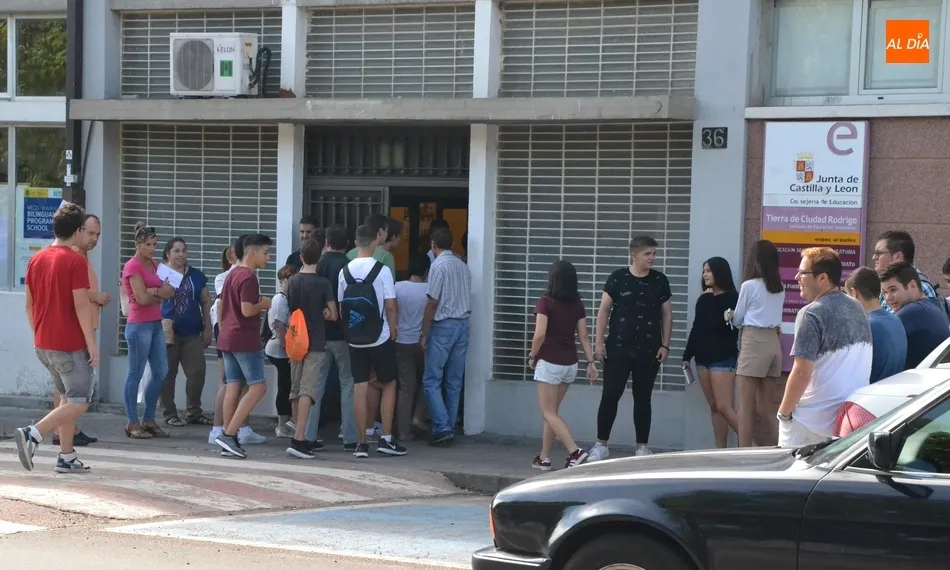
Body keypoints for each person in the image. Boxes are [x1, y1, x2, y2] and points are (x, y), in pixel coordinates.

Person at [15, 202, 100, 473]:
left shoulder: (36, 259)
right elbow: (81, 305)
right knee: (80, 400)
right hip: (69, 344)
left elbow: (28, 304)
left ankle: (66, 456)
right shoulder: (75, 261)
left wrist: (38, 333)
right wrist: (91, 343)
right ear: (77, 231)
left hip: (44, 343)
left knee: (66, 399)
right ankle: (33, 433)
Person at [778, 247, 872, 447]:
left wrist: (784, 413)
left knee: (791, 468)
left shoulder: (811, 313)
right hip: (848, 421)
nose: (796, 277)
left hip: (809, 423)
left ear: (822, 278)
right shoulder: (857, 307)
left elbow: (801, 373)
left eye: (802, 273)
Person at [590, 236, 672, 461]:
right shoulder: (618, 278)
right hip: (617, 348)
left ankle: (642, 447)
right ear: (634, 255)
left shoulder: (660, 280)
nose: (652, 258)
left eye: (654, 254)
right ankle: (601, 444)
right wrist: (598, 343)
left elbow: (667, 314)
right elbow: (603, 311)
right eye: (648, 254)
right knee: (610, 395)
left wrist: (665, 344)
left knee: (643, 398)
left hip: (649, 350)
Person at [339, 223, 406, 458]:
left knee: (360, 386)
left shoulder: (345, 271)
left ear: (355, 242)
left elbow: (342, 306)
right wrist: (394, 328)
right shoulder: (382, 270)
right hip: (380, 336)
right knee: (389, 383)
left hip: (355, 338)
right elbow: (390, 305)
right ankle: (386, 438)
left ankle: (361, 443)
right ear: (376, 241)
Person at [529, 260, 597, 471]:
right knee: (553, 413)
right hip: (570, 365)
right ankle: (544, 458)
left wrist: (532, 355)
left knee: (547, 413)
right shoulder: (577, 304)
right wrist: (591, 362)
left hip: (549, 363)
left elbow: (539, 334)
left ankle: (575, 451)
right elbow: (584, 336)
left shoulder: (545, 303)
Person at [214, 234, 273, 459]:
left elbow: (221, 305)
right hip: (244, 339)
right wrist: (265, 304)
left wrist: (223, 328)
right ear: (252, 252)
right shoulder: (248, 277)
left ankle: (228, 437)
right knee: (258, 387)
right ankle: (229, 435)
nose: (268, 257)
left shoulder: (232, 273)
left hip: (228, 337)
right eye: (266, 252)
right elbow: (247, 310)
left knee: (233, 386)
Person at [52, 214, 107, 448]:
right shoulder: (72, 256)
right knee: (70, 389)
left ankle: (68, 430)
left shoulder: (83, 255)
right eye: (91, 233)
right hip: (75, 329)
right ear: (79, 231)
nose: (94, 239)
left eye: (98, 235)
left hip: (84, 326)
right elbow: (72, 294)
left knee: (68, 388)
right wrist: (97, 297)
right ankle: (58, 431)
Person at [304, 224, 359, 451]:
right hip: (343, 333)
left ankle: (308, 435)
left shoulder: (318, 265)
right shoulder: (350, 265)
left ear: (326, 242)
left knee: (316, 385)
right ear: (347, 244)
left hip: (319, 334)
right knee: (348, 382)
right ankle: (349, 437)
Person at [122, 222, 176, 440]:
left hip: (155, 323)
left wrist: (155, 291)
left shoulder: (154, 264)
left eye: (154, 244)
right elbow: (142, 299)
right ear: (137, 245)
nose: (153, 248)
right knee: (135, 373)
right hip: (139, 325)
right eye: (148, 244)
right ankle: (132, 422)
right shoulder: (132, 266)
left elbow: (172, 289)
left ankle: (149, 419)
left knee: (161, 371)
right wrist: (157, 292)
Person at [728, 239, 785, 448]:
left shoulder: (749, 286)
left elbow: (738, 319)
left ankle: (743, 454)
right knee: (767, 409)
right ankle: (785, 447)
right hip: (774, 342)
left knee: (745, 407)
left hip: (754, 342)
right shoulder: (780, 287)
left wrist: (729, 315)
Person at [420, 227, 472, 446]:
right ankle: (448, 426)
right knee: (454, 381)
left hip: (443, 325)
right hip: (463, 324)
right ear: (452, 244)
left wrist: (424, 332)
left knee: (431, 379)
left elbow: (432, 302)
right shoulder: (463, 266)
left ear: (433, 245)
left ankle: (441, 427)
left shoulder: (437, 266)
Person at [285, 238, 337, 459]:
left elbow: (289, 309)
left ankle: (297, 433)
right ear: (320, 259)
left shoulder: (292, 281)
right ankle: (300, 439)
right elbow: (333, 315)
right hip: (315, 341)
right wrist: (324, 313)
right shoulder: (323, 283)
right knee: (308, 390)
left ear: (300, 257)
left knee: (295, 389)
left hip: (295, 339)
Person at [682, 257, 740, 448]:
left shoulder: (733, 298)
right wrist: (687, 355)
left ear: (719, 273)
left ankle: (754, 446)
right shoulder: (703, 299)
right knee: (715, 407)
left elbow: (723, 326)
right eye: (704, 271)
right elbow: (697, 328)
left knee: (724, 406)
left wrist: (712, 304)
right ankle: (720, 450)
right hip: (702, 359)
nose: (704, 275)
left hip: (723, 358)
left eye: (708, 271)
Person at [159, 237, 213, 426]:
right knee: (167, 374)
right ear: (168, 253)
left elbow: (205, 302)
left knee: (197, 371)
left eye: (184, 250)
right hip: (167, 333)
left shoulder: (196, 276)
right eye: (176, 251)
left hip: (192, 332)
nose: (181, 254)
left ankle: (194, 412)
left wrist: (208, 328)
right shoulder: (160, 273)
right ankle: (169, 413)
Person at [879, 261, 950, 369]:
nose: (888, 298)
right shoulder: (931, 306)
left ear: (912, 285)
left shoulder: (911, 312)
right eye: (884, 292)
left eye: (893, 290)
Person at [844, 267, 907, 383]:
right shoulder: (896, 320)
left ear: (854, 293)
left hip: (868, 391)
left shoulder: (864, 326)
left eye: (847, 295)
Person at [394, 253, 431, 441]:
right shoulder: (430, 290)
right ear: (427, 270)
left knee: (406, 387)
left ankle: (403, 431)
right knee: (429, 381)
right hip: (423, 342)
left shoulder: (397, 287)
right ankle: (418, 416)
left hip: (401, 342)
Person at [872, 230, 944, 314]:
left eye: (879, 253)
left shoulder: (919, 286)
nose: (874, 257)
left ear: (898, 256)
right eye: (885, 292)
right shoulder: (889, 283)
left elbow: (894, 320)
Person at [267, 265, 298, 438]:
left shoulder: (286, 298)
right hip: (279, 350)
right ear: (283, 280)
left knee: (286, 385)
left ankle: (285, 424)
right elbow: (279, 326)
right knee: (284, 386)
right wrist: (287, 348)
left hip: (282, 349)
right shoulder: (280, 299)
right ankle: (282, 425)